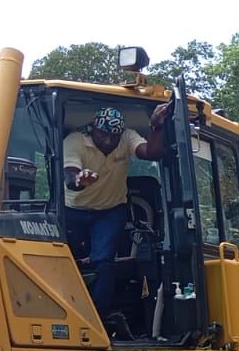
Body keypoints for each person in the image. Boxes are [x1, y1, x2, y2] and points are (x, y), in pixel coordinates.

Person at [63, 103, 168, 319]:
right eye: (103, 135)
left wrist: (157, 127)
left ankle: (98, 318)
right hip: (74, 210)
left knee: (103, 262)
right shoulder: (75, 141)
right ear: (93, 130)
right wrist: (79, 180)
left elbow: (151, 152)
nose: (108, 141)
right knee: (66, 260)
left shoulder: (127, 137)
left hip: (109, 211)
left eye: (114, 136)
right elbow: (70, 176)